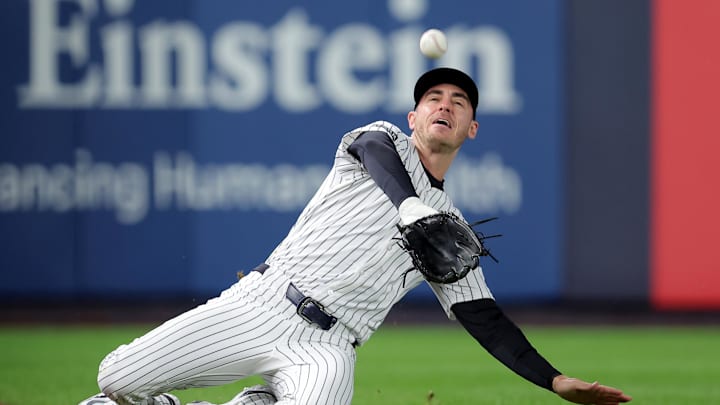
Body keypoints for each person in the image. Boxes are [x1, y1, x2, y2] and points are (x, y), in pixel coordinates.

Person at [79, 67, 632, 405]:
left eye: (458, 102)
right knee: (118, 377)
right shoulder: (379, 142)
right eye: (433, 98)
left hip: (328, 347)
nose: (445, 104)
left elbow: (483, 318)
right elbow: (376, 152)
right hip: (262, 303)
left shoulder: (451, 232)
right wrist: (410, 205)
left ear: (471, 129)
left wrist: (554, 381)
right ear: (412, 117)